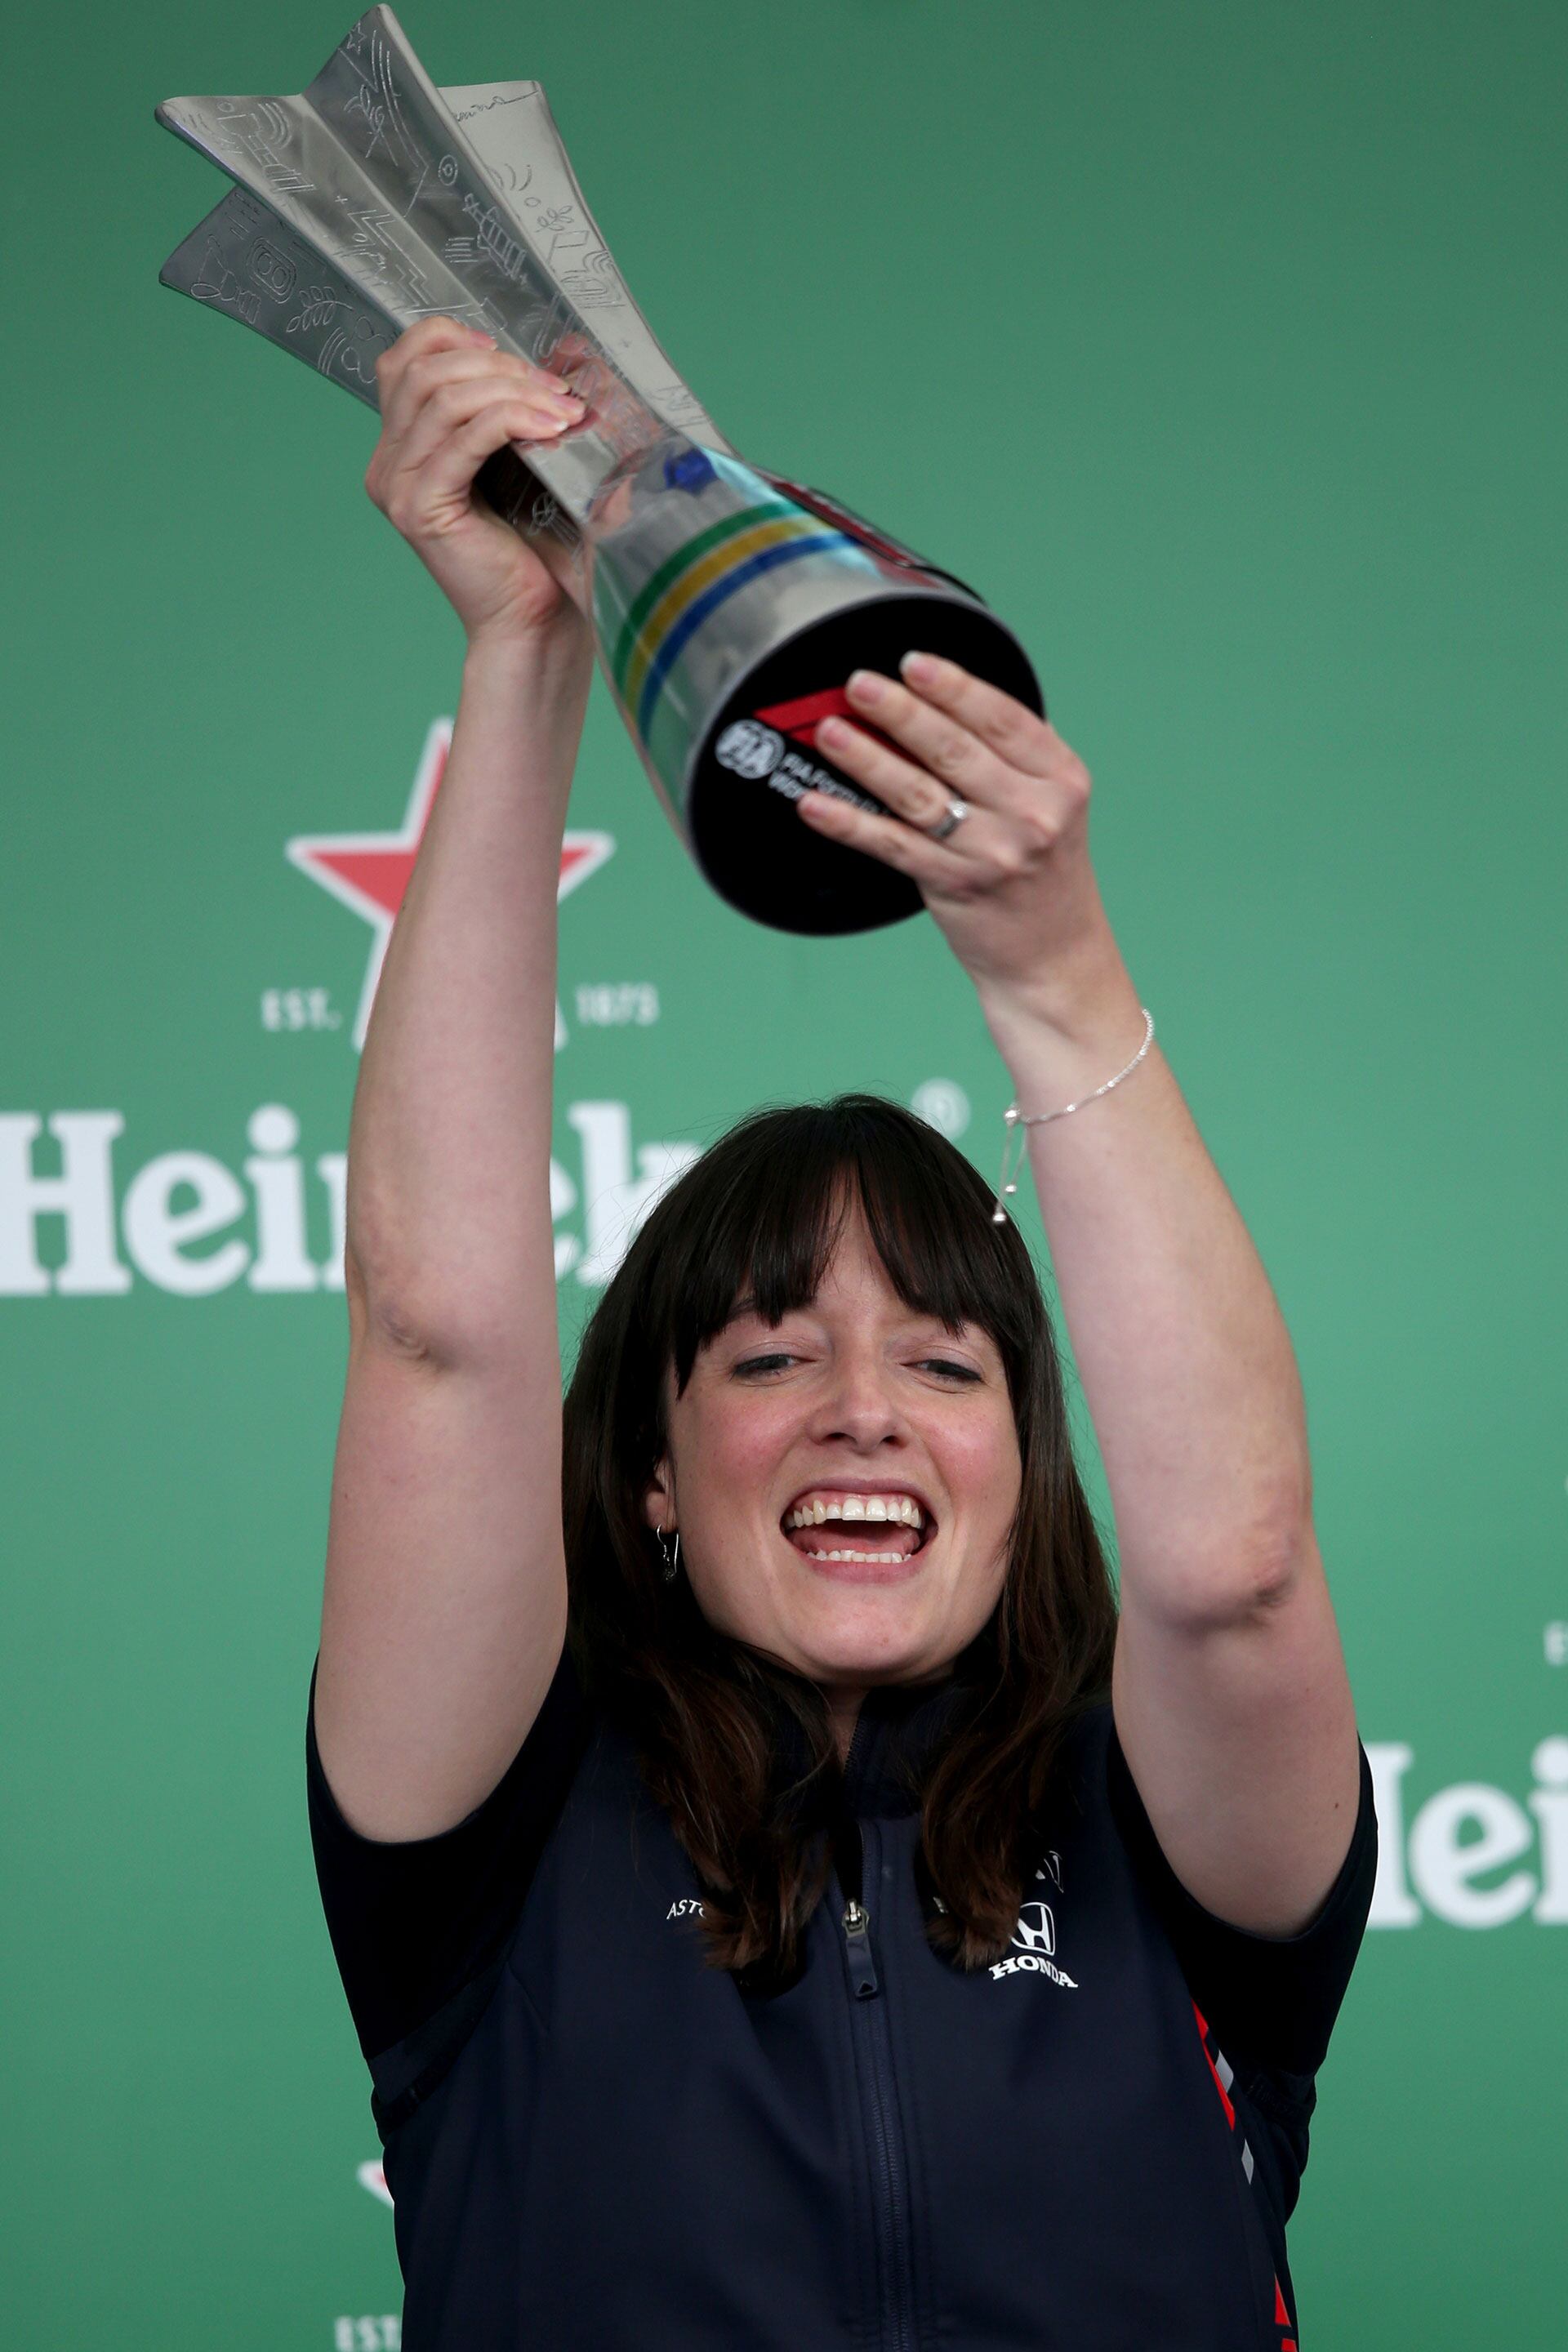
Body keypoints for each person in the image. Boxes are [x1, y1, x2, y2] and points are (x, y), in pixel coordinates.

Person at [306, 316, 1376, 2351]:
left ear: (1031, 1471)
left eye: (949, 1364)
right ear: (649, 1475)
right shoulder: (496, 1845)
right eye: (774, 1356)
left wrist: (1052, 973)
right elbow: (441, 1333)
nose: (862, 1409)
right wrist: (528, 653)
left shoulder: (1161, 1840)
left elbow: (1233, 1574)